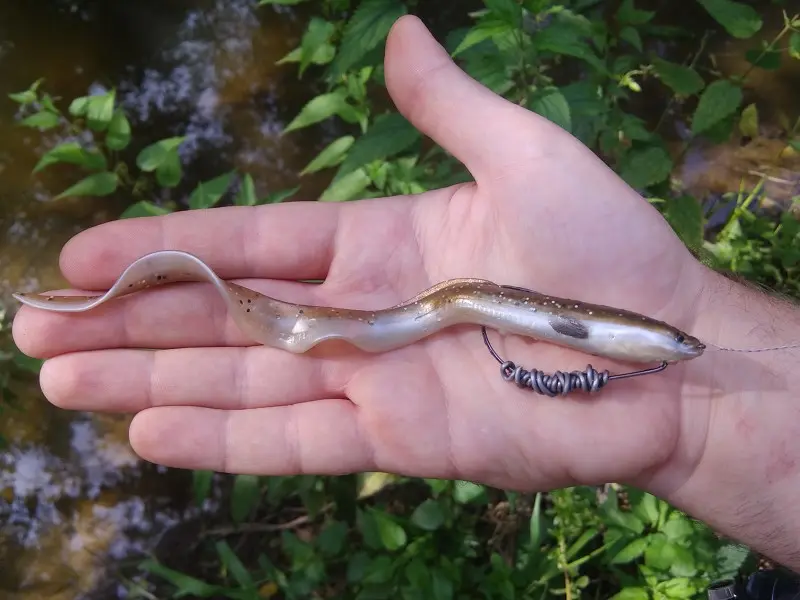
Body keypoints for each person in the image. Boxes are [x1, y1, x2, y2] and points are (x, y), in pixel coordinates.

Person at [11, 15, 800, 573]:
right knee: (410, 307)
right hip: (427, 308)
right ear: (650, 345)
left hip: (442, 307)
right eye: (679, 345)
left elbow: (665, 344)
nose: (682, 351)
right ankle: (89, 296)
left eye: (679, 346)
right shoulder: (623, 336)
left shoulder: (647, 344)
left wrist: (698, 335)